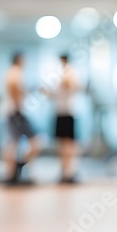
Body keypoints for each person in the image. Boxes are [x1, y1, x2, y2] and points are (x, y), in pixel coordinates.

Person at [3, 52, 41, 184]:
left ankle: (13, 172)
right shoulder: (15, 73)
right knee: (35, 141)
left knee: (14, 143)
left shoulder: (12, 73)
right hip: (16, 112)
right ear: (19, 60)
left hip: (15, 112)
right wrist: (18, 105)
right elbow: (14, 88)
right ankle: (15, 170)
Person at [46, 54, 81, 183]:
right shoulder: (59, 74)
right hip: (60, 112)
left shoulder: (70, 72)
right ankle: (64, 171)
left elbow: (69, 87)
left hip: (68, 112)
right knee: (62, 144)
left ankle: (69, 171)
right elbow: (52, 94)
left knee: (69, 144)